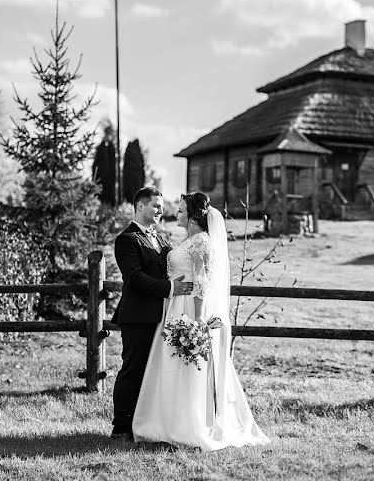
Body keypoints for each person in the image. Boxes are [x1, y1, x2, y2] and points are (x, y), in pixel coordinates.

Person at [133, 192, 270, 451]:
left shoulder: (202, 243)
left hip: (188, 310)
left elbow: (201, 285)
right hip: (172, 308)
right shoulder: (188, 240)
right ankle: (165, 421)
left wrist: (196, 322)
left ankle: (189, 424)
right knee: (171, 365)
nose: (177, 214)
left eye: (182, 210)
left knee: (186, 367)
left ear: (195, 216)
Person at [111, 186, 193, 442]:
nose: (160, 210)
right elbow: (134, 278)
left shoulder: (160, 238)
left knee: (153, 372)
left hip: (163, 317)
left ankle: (145, 423)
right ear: (140, 207)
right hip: (138, 316)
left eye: (161, 206)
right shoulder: (127, 239)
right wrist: (170, 288)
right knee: (133, 370)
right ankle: (120, 427)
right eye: (156, 206)